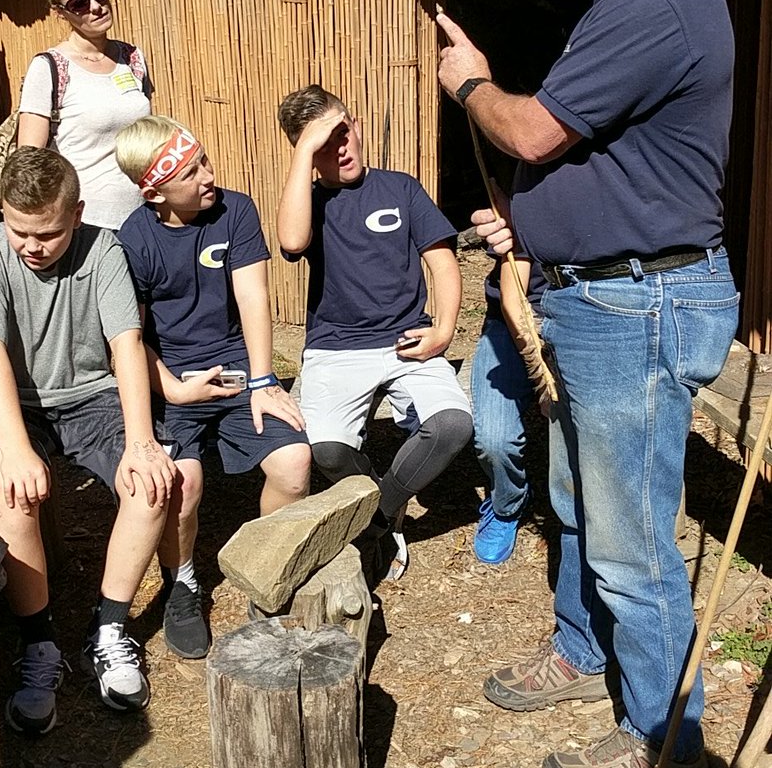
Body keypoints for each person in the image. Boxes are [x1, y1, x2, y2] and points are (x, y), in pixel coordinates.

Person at [436, 0, 739, 768]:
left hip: (633, 305)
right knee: (576, 498)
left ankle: (666, 745)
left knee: (633, 541)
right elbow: (616, 158)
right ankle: (579, 651)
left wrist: (471, 80)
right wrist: (545, 226)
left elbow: (531, 128)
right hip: (604, 290)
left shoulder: (660, 1)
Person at [0, 147, 177, 735]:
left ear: (76, 213)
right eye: (18, 230)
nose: (32, 245)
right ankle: (38, 642)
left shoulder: (103, 249)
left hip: (88, 397)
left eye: (49, 232)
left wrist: (140, 442)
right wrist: (15, 447)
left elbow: (126, 345)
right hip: (14, 403)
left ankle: (108, 628)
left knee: (152, 483)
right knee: (11, 491)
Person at [114, 115, 311, 659]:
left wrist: (265, 379)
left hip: (236, 371)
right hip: (172, 377)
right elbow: (128, 340)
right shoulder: (134, 241)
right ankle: (182, 584)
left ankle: (265, 570)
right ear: (155, 192)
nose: (209, 175)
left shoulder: (235, 210)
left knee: (294, 466)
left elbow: (253, 298)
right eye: (191, 170)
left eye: (204, 159)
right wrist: (174, 389)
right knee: (180, 487)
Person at [277, 85, 472, 581]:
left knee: (452, 425)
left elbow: (443, 265)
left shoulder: (400, 188)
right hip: (335, 346)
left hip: (408, 339)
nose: (339, 148)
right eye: (322, 144)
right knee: (326, 452)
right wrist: (305, 154)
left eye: (343, 132)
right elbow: (292, 242)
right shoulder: (309, 201)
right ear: (303, 154)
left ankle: (379, 517)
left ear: (357, 124)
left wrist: (444, 332)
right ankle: (383, 511)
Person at [18, 0, 152, 230]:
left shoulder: (133, 58)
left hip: (145, 218)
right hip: (87, 223)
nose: (96, 7)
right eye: (79, 4)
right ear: (60, 12)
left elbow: (148, 135)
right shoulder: (49, 68)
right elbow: (29, 159)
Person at [471, 251, 545, 565]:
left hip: (586, 319)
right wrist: (540, 369)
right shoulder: (521, 202)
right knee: (494, 441)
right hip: (510, 322)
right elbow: (514, 298)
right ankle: (507, 505)